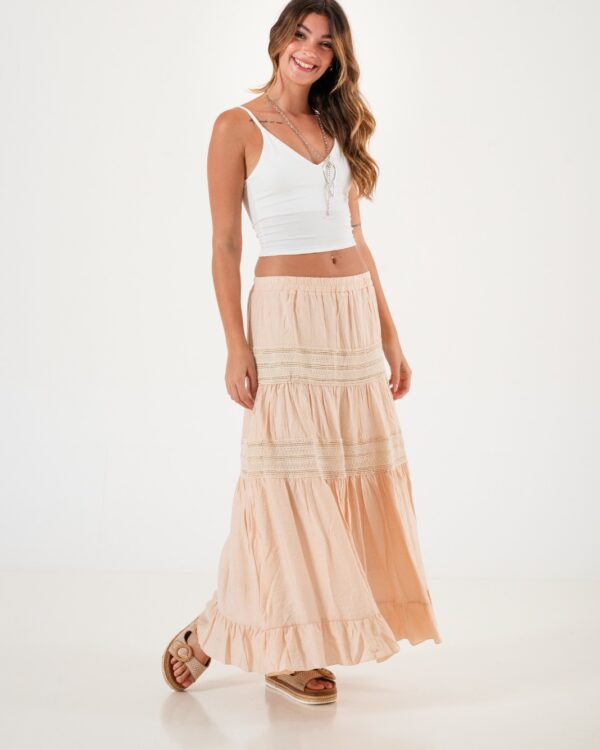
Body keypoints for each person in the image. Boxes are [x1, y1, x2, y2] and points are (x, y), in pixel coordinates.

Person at [162, 0, 441, 705]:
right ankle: (258, 638)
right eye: (301, 34)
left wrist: (390, 334)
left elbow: (356, 236)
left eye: (325, 41)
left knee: (341, 478)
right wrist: (235, 343)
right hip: (285, 316)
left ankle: (245, 630)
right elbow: (226, 244)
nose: (310, 50)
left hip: (350, 315)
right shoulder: (236, 126)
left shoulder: (337, 127)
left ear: (337, 56)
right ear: (279, 40)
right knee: (285, 485)